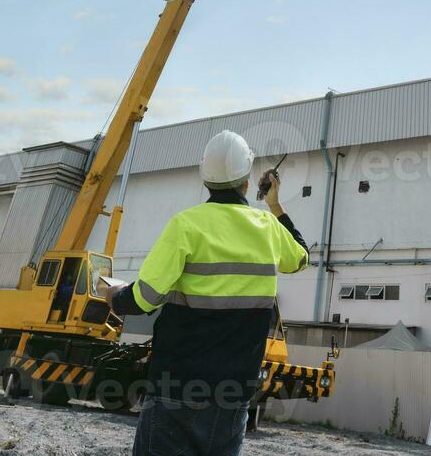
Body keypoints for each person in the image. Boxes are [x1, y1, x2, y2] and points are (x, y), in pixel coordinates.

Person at [105, 130, 308, 456]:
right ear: (246, 181)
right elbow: (301, 256)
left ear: (205, 179)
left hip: (176, 385)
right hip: (231, 394)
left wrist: (114, 296)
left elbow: (143, 298)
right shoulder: (268, 229)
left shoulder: (186, 225)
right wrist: (274, 204)